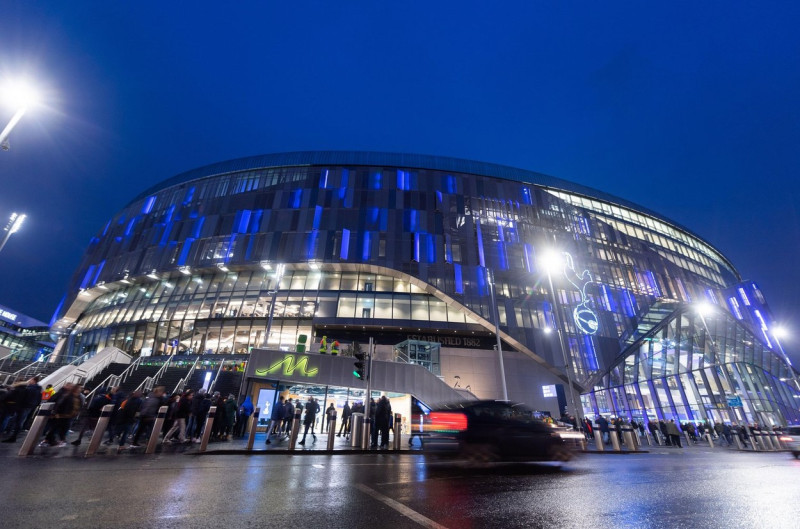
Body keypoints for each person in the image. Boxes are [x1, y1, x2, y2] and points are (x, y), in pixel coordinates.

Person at [1, 376, 42, 443]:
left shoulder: (30, 388)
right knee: (18, 420)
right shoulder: (38, 389)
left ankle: (13, 436)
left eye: (31, 379)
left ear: (34, 381)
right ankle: (12, 434)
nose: (29, 380)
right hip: (29, 407)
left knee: (18, 421)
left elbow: (24, 397)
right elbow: (38, 399)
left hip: (23, 407)